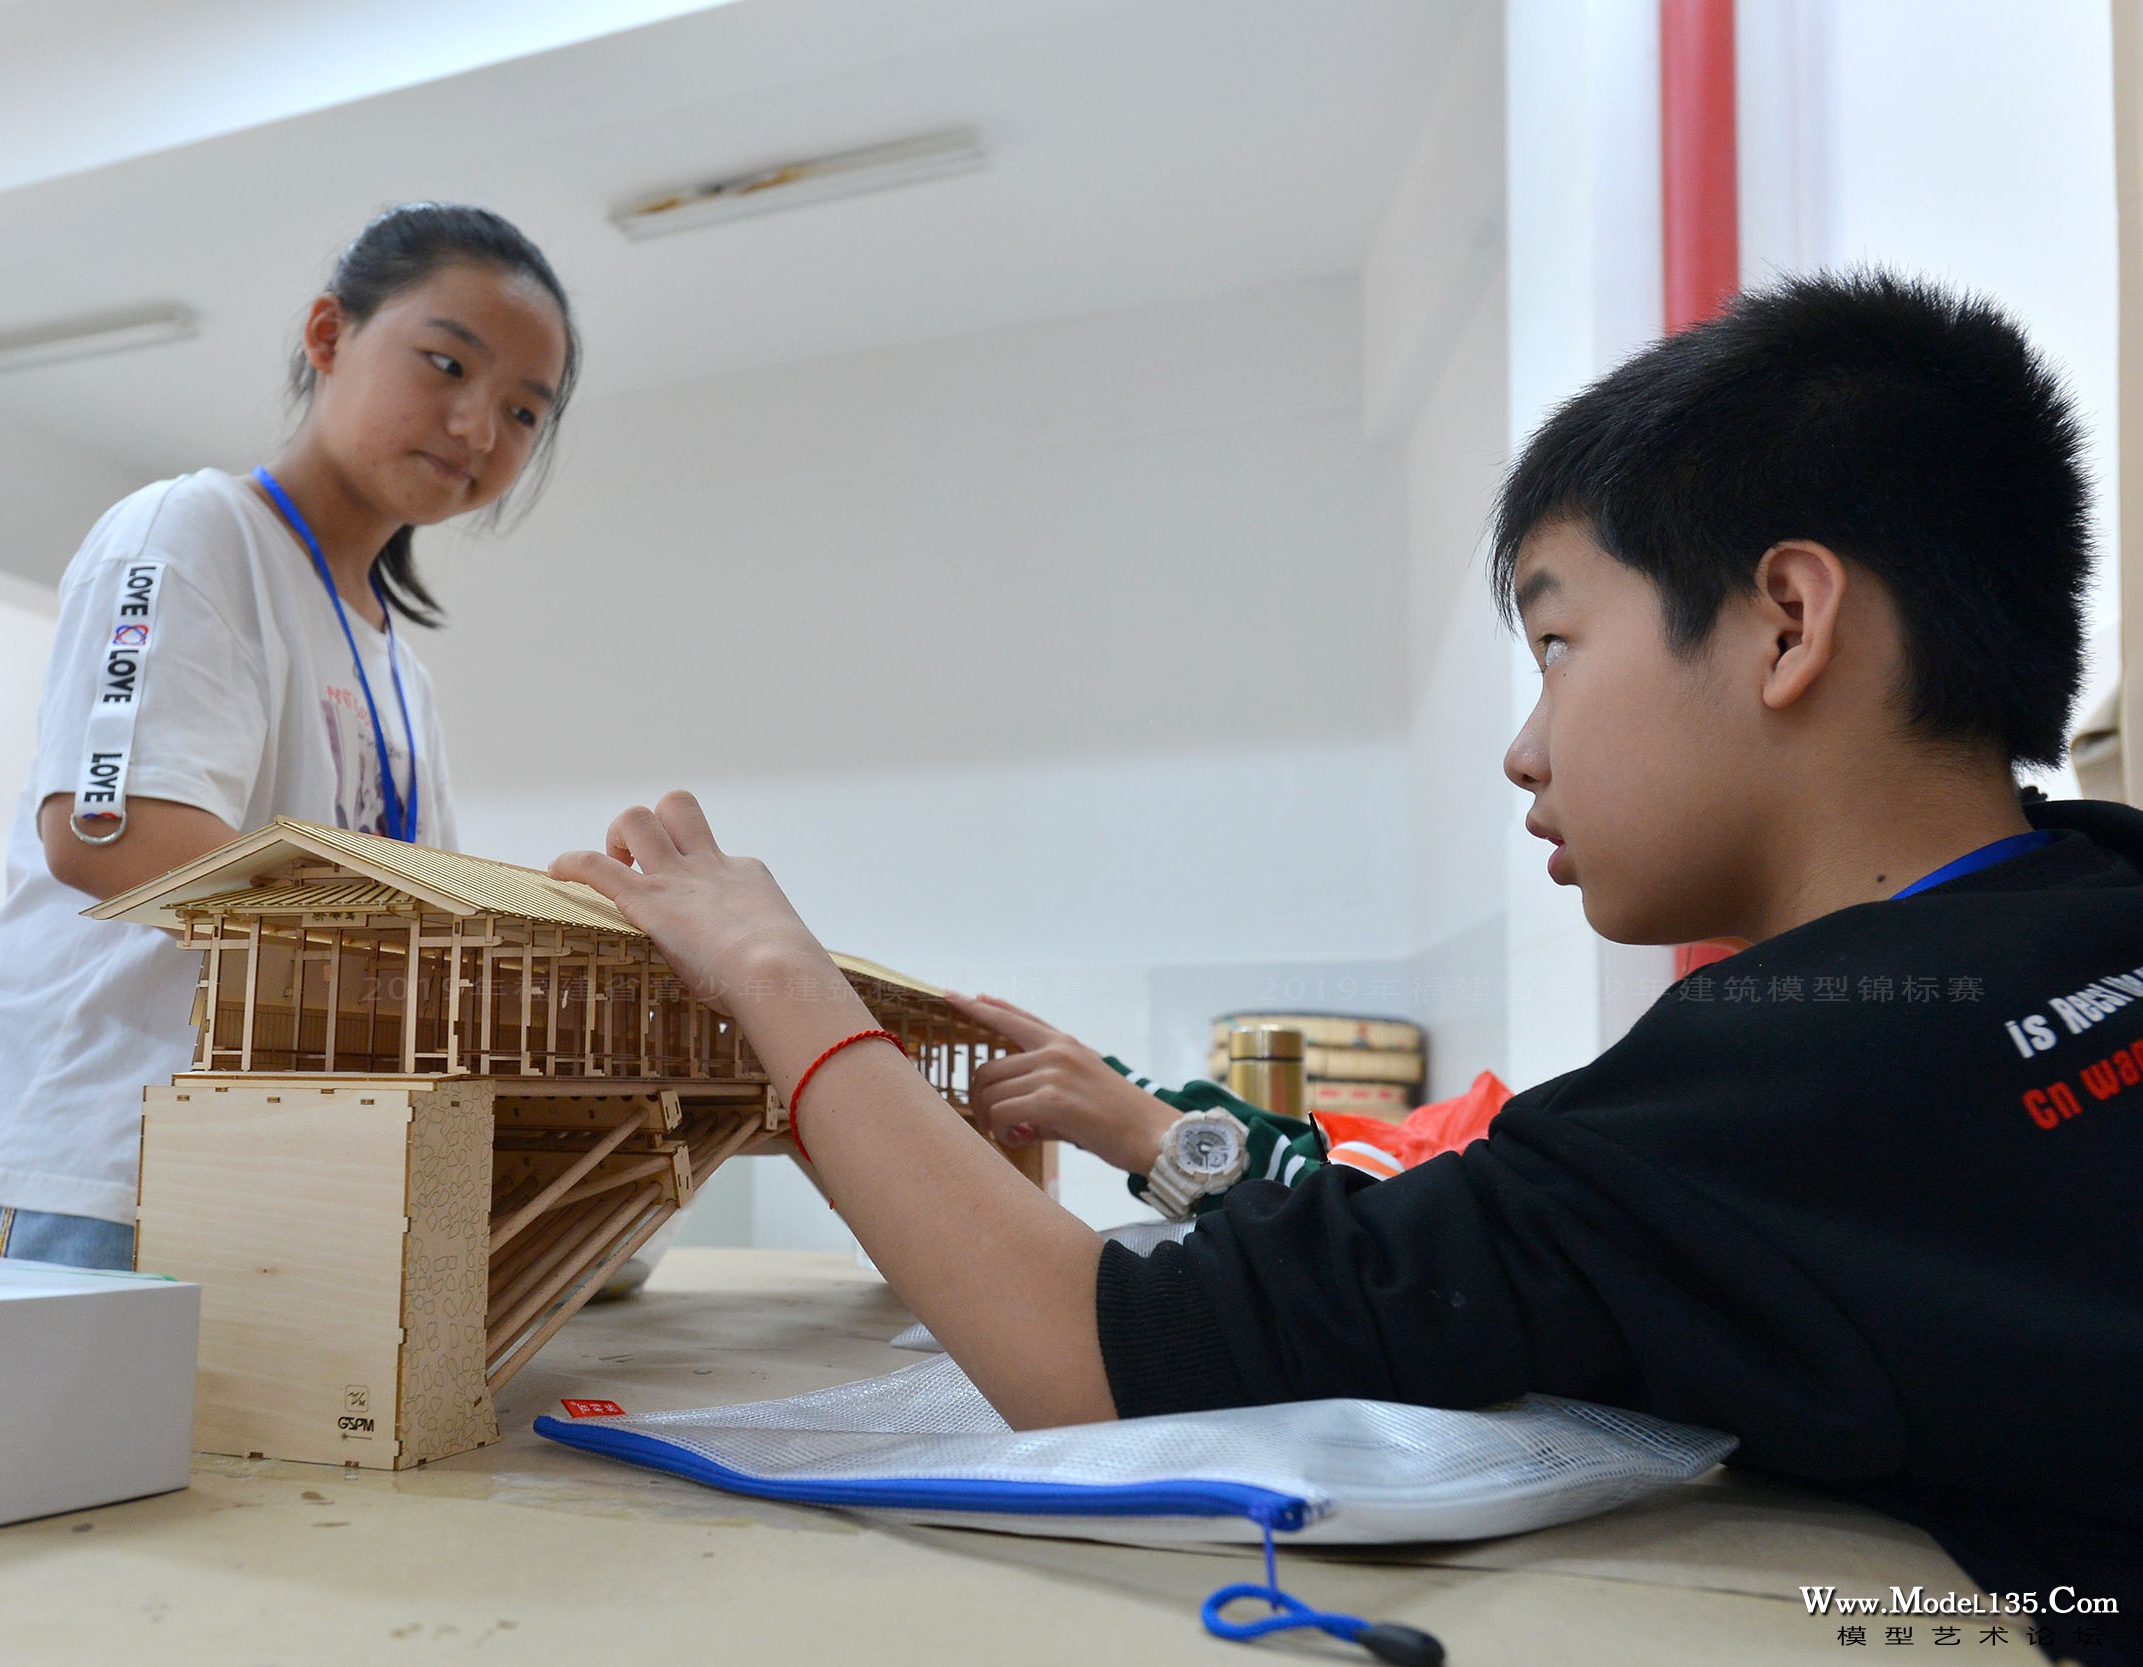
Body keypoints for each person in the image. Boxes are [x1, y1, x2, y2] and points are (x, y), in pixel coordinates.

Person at [547, 273, 2139, 1661]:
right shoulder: (2089, 900)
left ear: (1786, 621)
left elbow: (1096, 1359)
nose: (1524, 748)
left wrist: (776, 974)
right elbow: (1422, 1241)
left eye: (1559, 644)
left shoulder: (1775, 1083)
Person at [0, 203, 579, 1270]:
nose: (475, 429)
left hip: (260, 1183)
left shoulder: (399, 669)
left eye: (523, 413)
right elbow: (107, 831)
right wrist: (442, 938)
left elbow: (422, 924)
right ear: (328, 337)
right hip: (81, 1168)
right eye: (446, 364)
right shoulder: (191, 529)